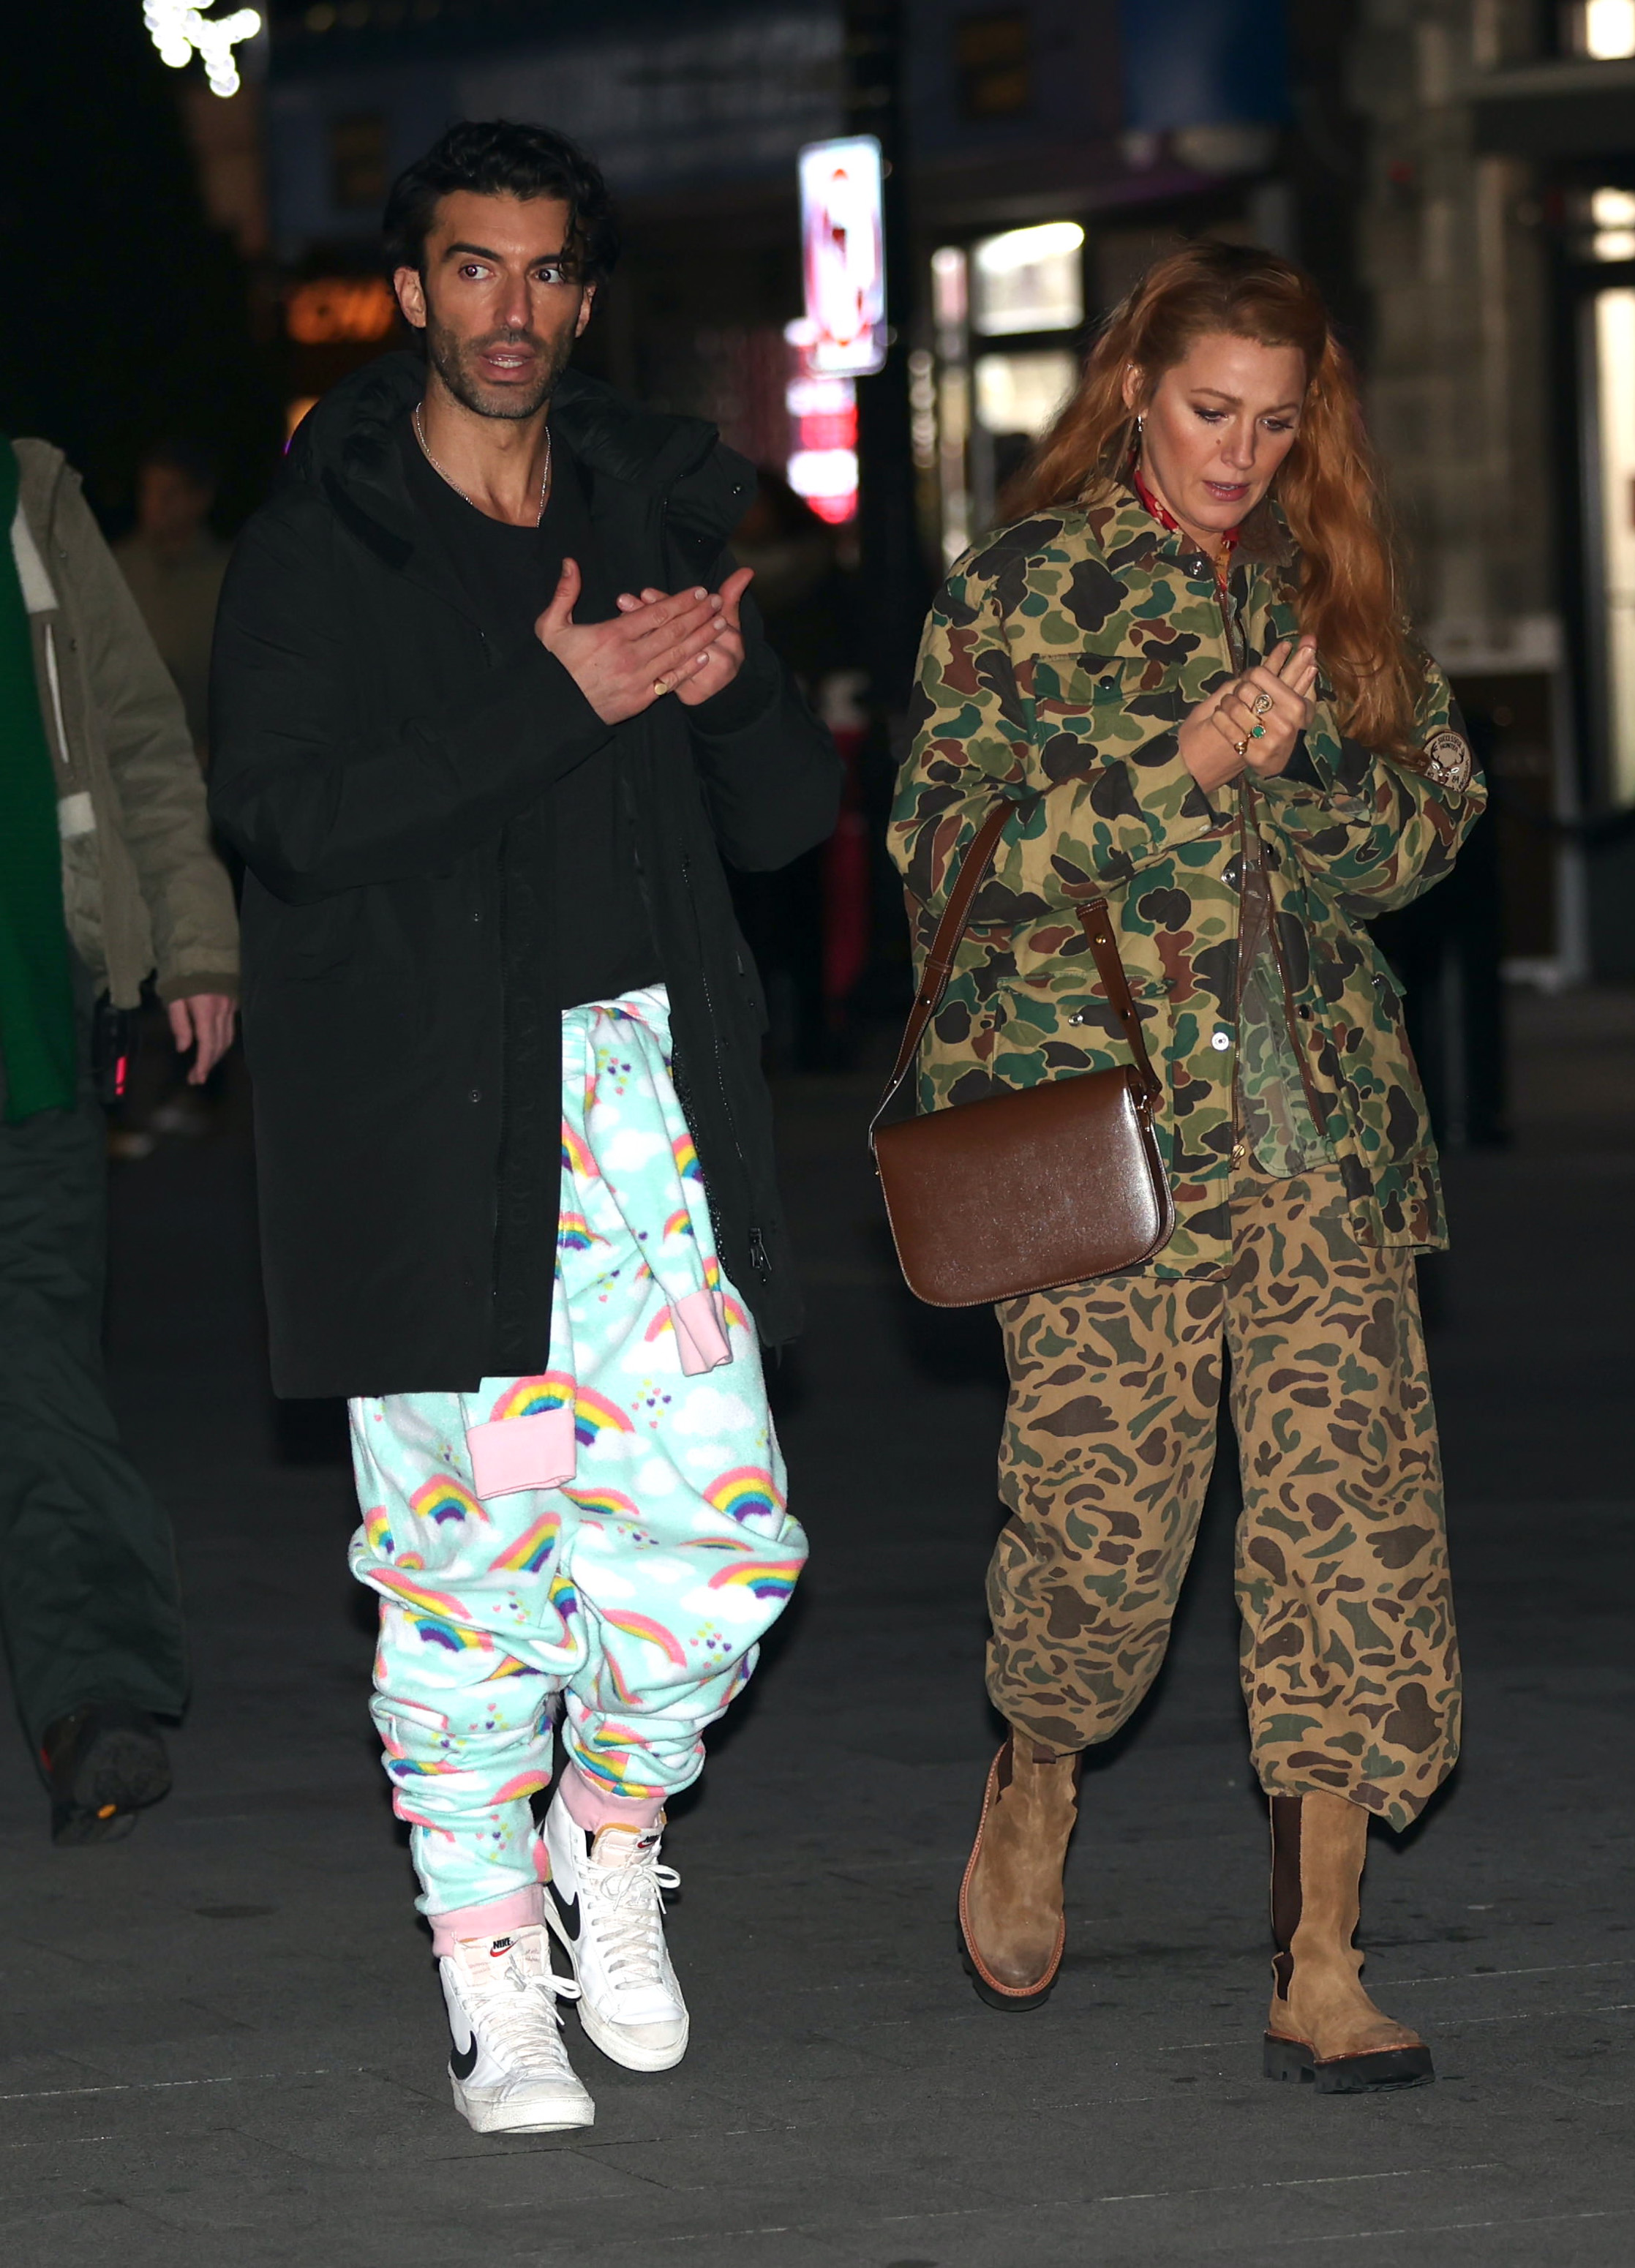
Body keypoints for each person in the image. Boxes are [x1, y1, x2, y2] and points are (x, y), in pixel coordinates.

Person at [209, 120, 838, 2137]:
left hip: (643, 1107)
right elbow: (288, 819)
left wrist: (730, 695)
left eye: (547, 271)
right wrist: (552, 703)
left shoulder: (656, 502)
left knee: (727, 1546)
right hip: (429, 1123)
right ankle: (489, 1961)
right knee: (467, 1573)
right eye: (470, 268)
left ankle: (605, 1830)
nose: (511, 308)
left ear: (583, 293)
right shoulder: (331, 538)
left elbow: (789, 835)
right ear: (410, 292)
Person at [890, 241, 1482, 2092]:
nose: (1239, 454)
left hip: (1320, 1151)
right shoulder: (1023, 588)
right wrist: (1181, 763)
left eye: (1276, 420)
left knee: (1350, 1549)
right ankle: (1039, 1762)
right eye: (1209, 412)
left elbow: (1432, 817)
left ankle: (1320, 1952)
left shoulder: (1331, 585)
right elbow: (945, 856)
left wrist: (1298, 782)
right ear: (1135, 387)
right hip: (1114, 1157)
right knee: (1097, 1551)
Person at [1, 432, 238, 1844]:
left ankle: (93, 1697)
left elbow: (139, 732)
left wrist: (195, 941)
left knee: (41, 1369)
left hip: (29, 1035)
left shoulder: (29, 500)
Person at [113, 440, 230, 769]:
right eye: (148, 492)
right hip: (126, 762)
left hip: (203, 764)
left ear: (200, 498)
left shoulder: (228, 577)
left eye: (169, 493)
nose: (155, 505)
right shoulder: (115, 569)